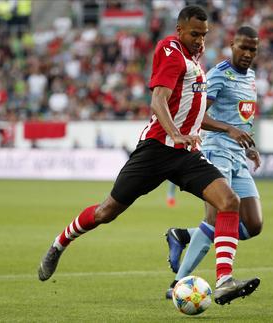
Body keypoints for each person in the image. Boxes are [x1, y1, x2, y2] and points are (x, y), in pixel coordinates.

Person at [37, 6, 260, 306]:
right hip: (156, 150)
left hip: (185, 154)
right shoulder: (169, 49)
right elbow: (158, 100)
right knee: (106, 212)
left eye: (204, 35)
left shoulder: (196, 61)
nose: (200, 40)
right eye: (194, 34)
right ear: (179, 30)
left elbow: (190, 108)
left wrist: (188, 135)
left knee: (228, 201)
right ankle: (59, 244)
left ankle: (223, 281)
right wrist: (176, 132)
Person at [165, 26, 263, 299]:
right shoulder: (219, 74)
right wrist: (229, 131)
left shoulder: (252, 77)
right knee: (215, 216)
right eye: (243, 47)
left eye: (252, 49)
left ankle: (183, 235)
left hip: (237, 155)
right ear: (232, 45)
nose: (247, 54)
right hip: (217, 150)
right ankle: (179, 284)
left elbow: (242, 117)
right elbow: (199, 116)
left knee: (253, 224)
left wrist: (248, 146)